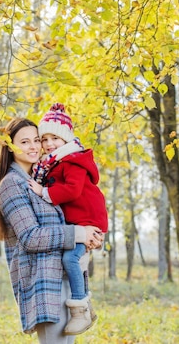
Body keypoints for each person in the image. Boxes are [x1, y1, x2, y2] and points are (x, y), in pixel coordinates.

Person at [0, 117, 104, 343]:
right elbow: (31, 237)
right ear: (10, 147)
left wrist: (91, 235)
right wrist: (79, 234)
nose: (33, 146)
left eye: (36, 140)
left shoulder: (42, 178)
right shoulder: (11, 183)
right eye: (24, 142)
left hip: (63, 275)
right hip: (43, 280)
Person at [29, 103, 109, 336]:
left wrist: (43, 192)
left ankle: (79, 309)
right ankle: (86, 306)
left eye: (55, 138)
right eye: (45, 139)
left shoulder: (72, 161)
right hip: (79, 221)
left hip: (87, 220)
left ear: (66, 138)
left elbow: (72, 191)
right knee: (75, 259)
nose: (49, 144)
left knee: (71, 259)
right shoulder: (54, 162)